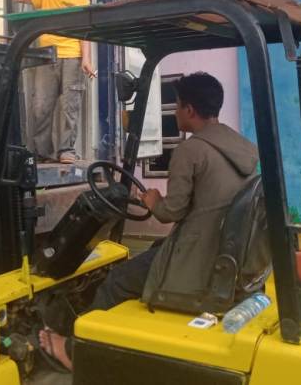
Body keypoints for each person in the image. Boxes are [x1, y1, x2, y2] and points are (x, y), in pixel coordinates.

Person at [39, 72, 260, 370]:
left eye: (177, 105)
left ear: (189, 110)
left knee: (116, 280)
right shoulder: (241, 147)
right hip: (222, 251)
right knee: (155, 248)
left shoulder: (191, 150)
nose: (175, 111)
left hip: (198, 260)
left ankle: (73, 351)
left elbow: (171, 213)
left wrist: (153, 201)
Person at [0, 0, 93, 163]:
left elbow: (85, 34)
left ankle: (66, 150)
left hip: (72, 57)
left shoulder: (81, 0)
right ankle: (42, 153)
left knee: (69, 106)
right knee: (41, 106)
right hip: (47, 57)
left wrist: (86, 59)